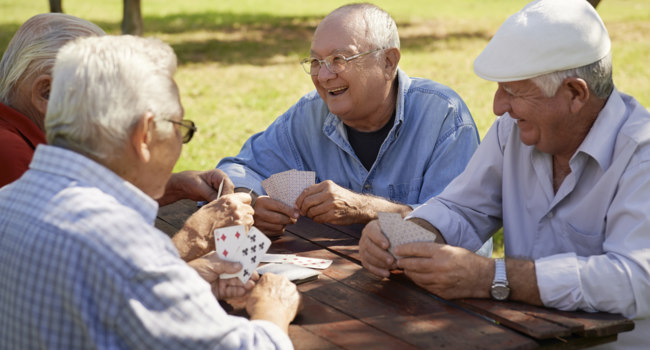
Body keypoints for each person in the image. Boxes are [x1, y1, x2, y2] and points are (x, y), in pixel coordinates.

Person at [359, 0, 649, 348]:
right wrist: (407, 233)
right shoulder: (511, 130)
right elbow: (463, 208)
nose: (498, 107)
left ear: (575, 94)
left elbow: (636, 279)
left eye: (512, 91)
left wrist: (493, 277)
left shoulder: (641, 153)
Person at [0, 35, 299, 348]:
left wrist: (185, 281)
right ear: (144, 134)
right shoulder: (123, 242)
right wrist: (273, 307)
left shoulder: (9, 201)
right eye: (180, 128)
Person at [217, 4, 485, 247]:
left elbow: (457, 231)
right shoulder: (309, 115)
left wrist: (367, 209)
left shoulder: (443, 116)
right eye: (316, 62)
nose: (323, 75)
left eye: (339, 59)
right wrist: (249, 202)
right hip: (337, 288)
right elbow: (239, 168)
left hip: (426, 291)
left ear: (388, 62)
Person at [0, 13, 229, 209]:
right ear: (46, 93)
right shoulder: (12, 154)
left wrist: (173, 186)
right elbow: (84, 241)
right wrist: (195, 237)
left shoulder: (37, 139)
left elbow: (90, 198)